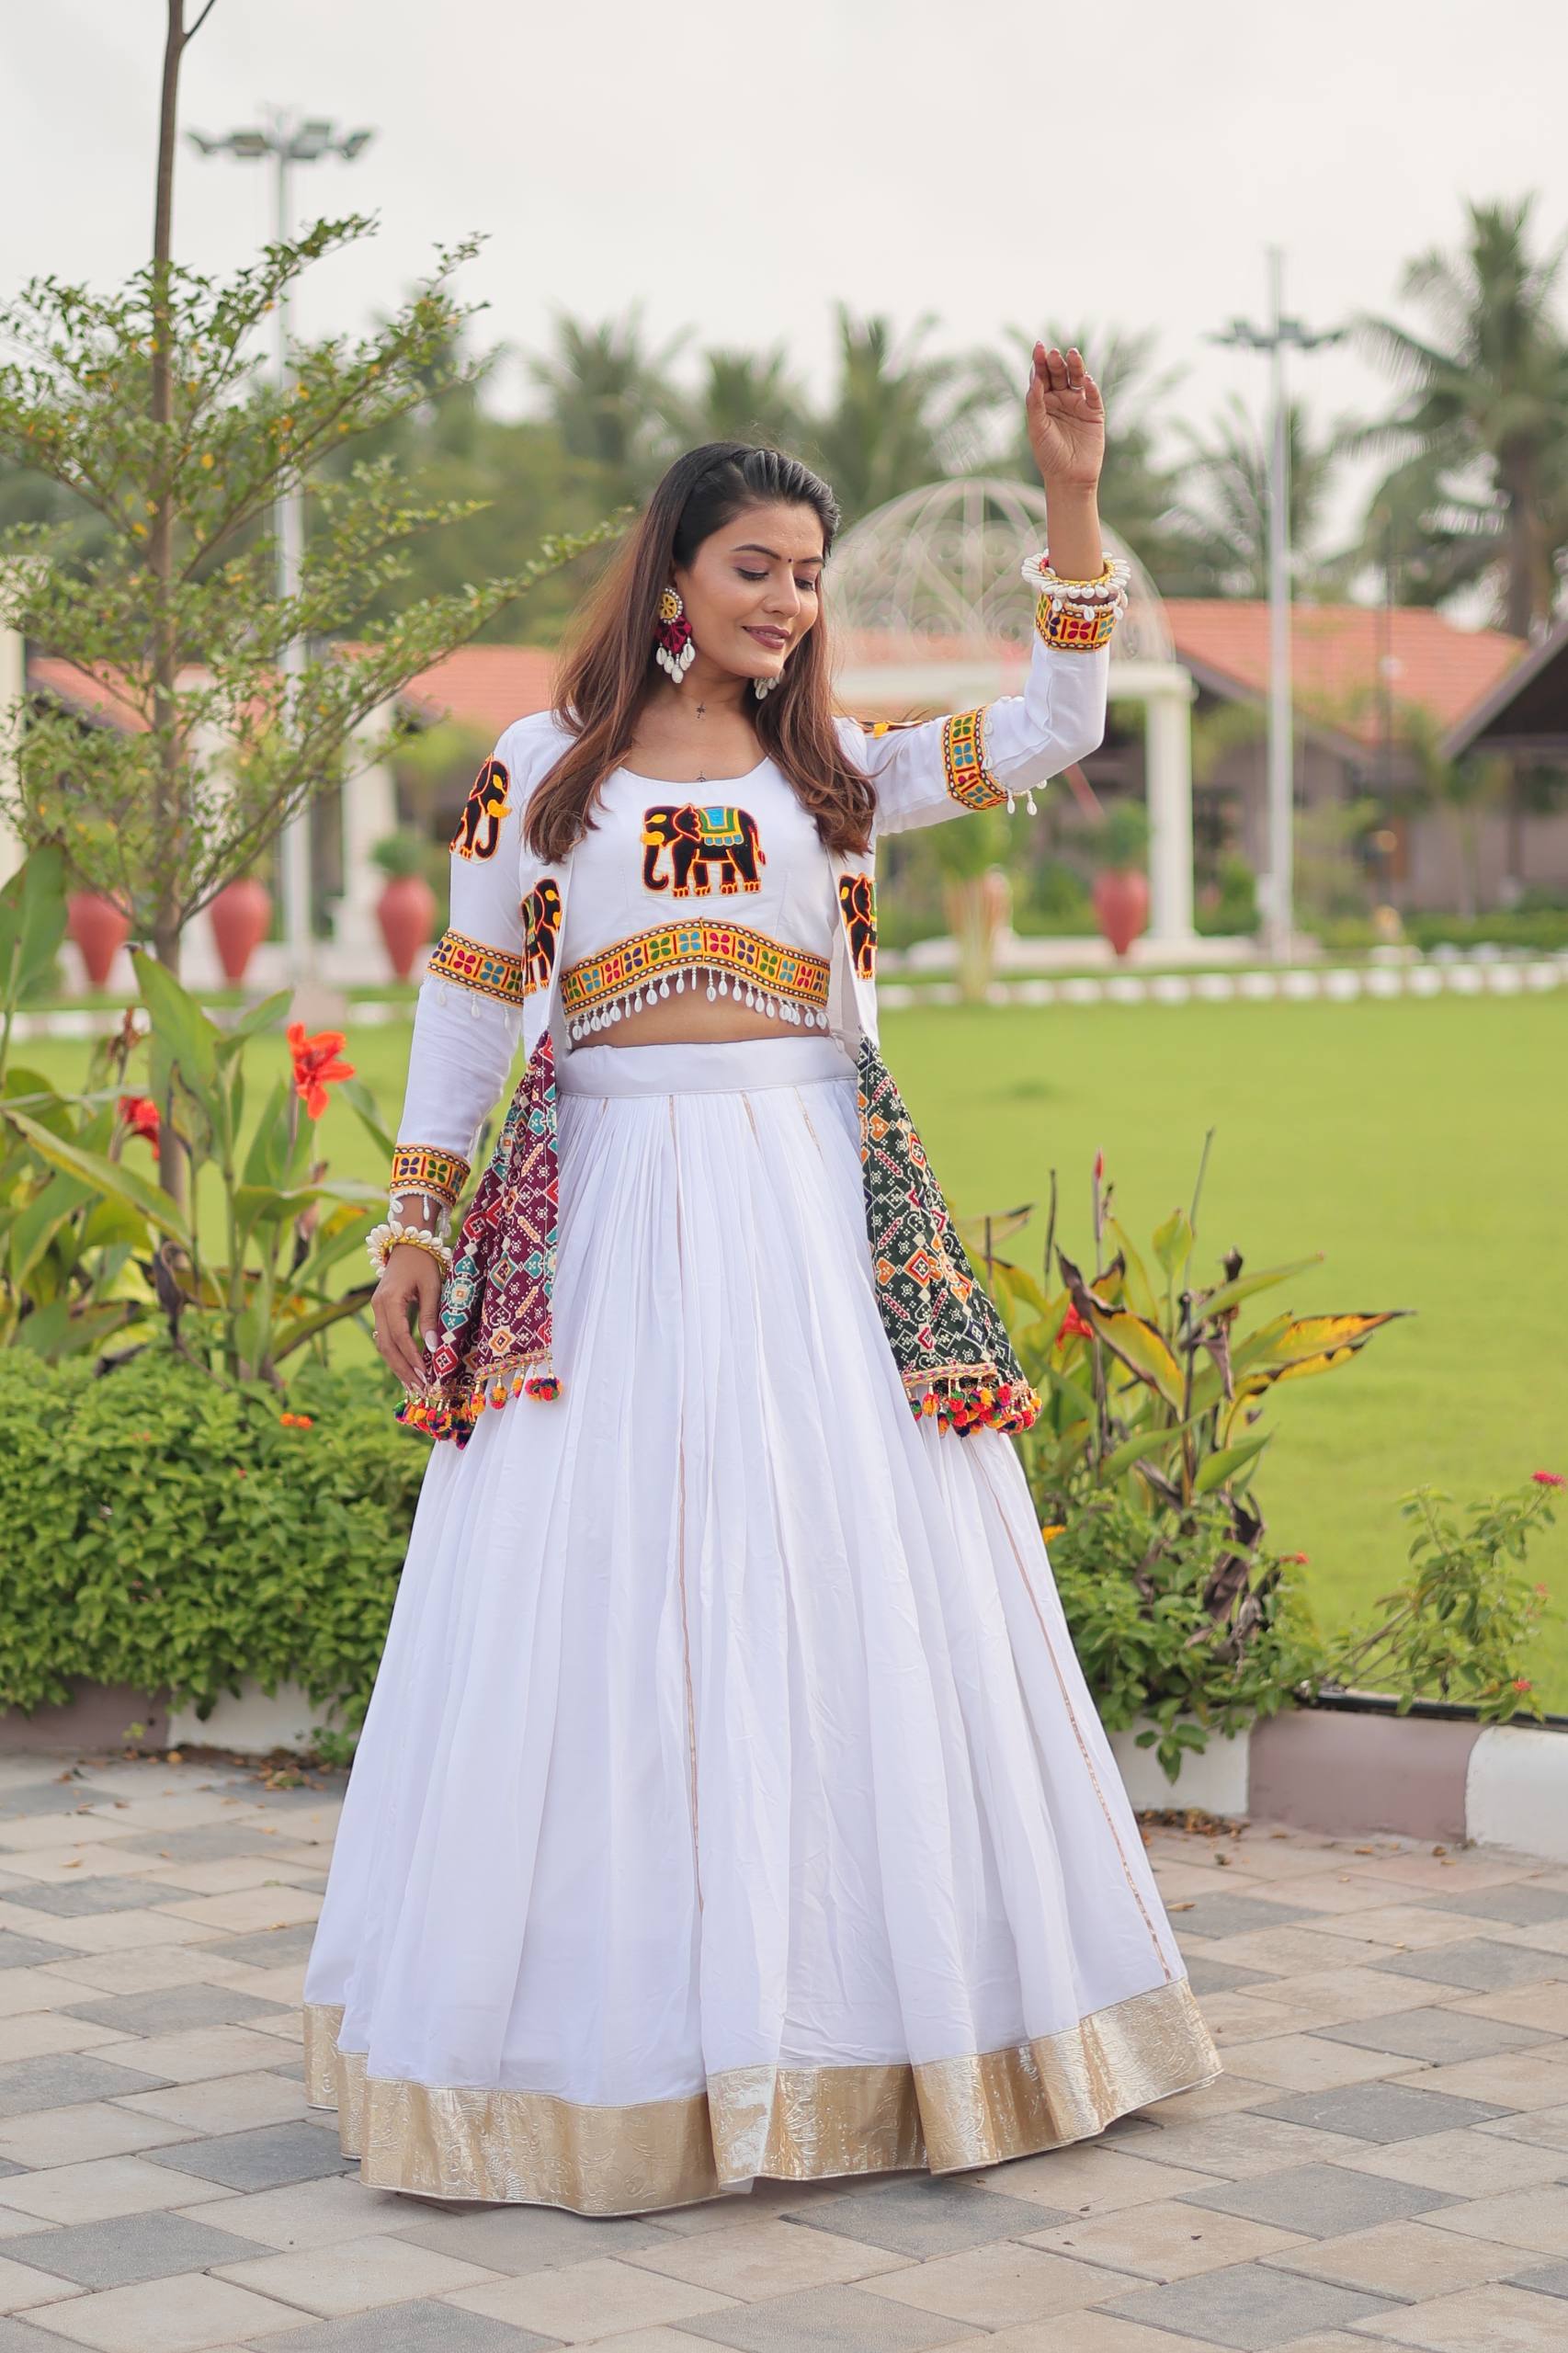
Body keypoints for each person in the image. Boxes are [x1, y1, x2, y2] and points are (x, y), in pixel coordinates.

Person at [301, 345, 1220, 2217]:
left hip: (811, 1209)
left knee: (835, 1577)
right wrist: (413, 1215)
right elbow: (468, 997)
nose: (790, 599)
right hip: (610, 1211)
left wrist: (1067, 498)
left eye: (807, 573)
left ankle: (875, 2026)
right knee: (607, 1592)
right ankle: (603, 2035)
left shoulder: (851, 777)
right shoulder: (540, 774)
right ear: (669, 578)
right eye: (756, 568)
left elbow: (1052, 722)